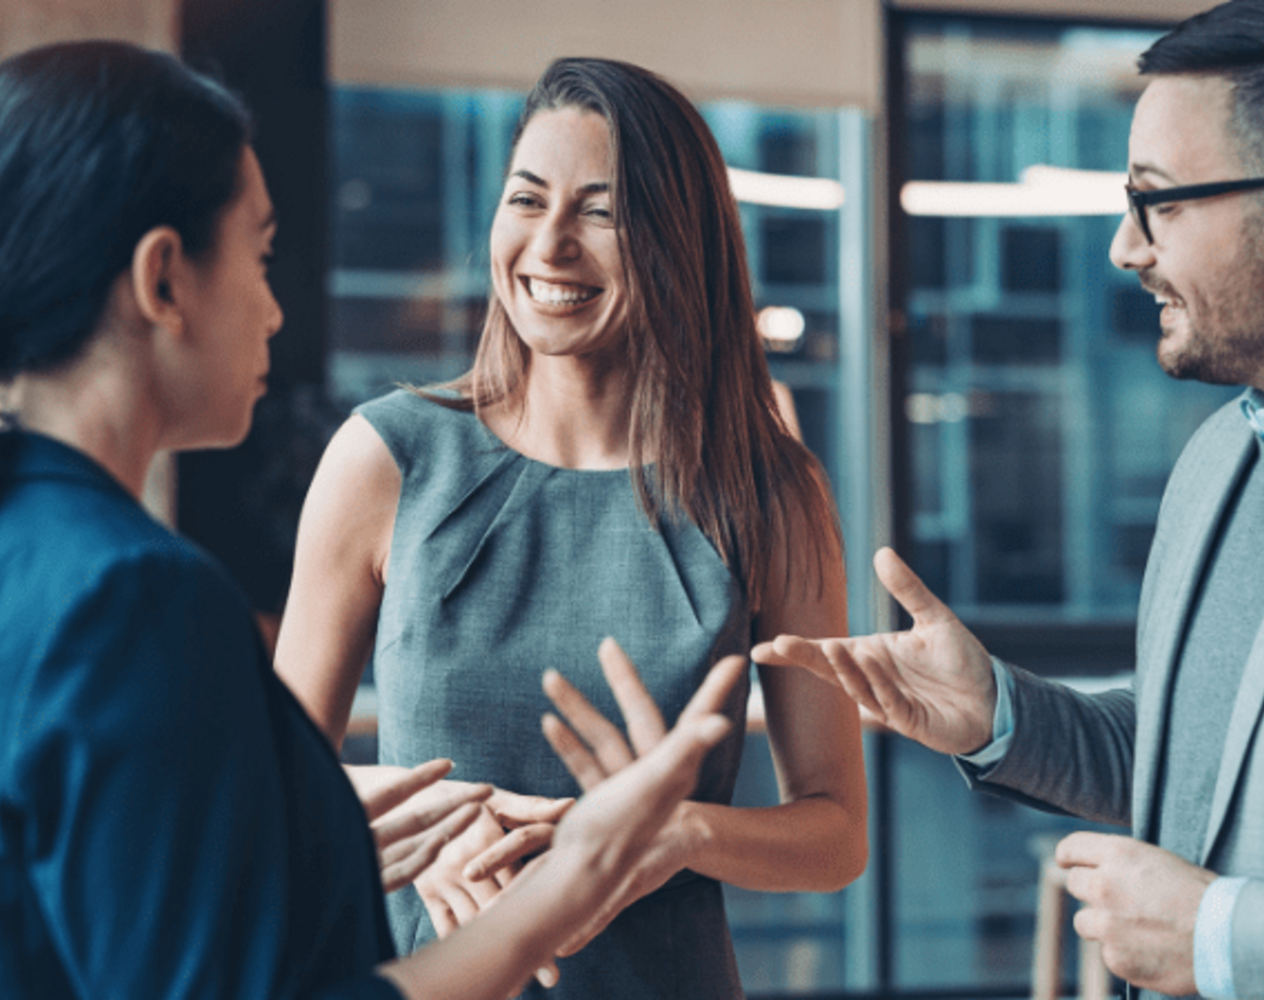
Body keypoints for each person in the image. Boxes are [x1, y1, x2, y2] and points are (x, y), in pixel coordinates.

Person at [0, 39, 748, 1000]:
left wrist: (342, 822)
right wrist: (567, 883)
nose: (274, 311)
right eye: (261, 255)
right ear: (164, 281)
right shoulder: (134, 594)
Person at [755, 1, 1264, 998]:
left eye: (1156, 202)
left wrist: (1219, 936)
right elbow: (1198, 757)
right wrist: (1000, 716)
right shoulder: (1218, 457)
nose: (1121, 247)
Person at [275, 56, 867, 999]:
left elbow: (835, 833)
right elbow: (273, 793)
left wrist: (682, 835)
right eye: (526, 199)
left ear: (677, 239)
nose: (549, 245)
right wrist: (418, 828)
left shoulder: (769, 491)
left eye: (599, 211)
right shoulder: (385, 459)